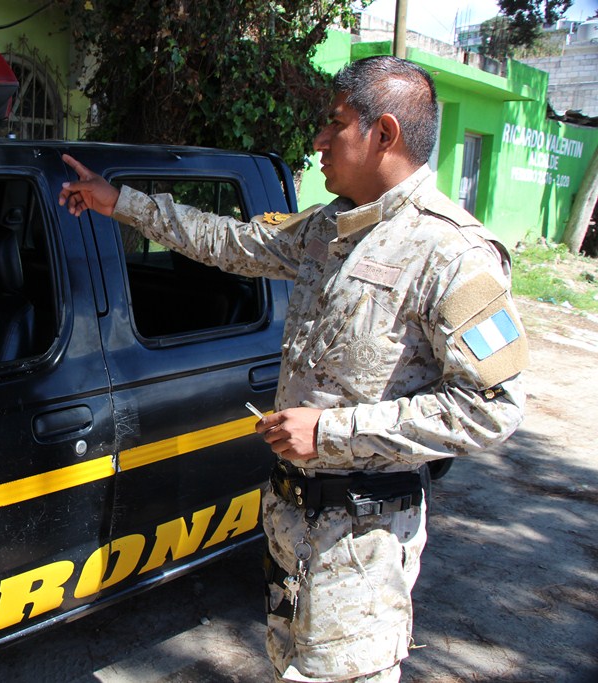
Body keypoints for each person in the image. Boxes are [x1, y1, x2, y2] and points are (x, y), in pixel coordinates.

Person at [59, 55, 527, 683]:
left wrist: (330, 433)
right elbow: (229, 243)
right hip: (291, 521)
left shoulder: (452, 254)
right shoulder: (330, 228)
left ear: (383, 134)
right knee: (290, 667)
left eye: (335, 125)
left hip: (363, 543)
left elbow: (492, 408)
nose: (319, 141)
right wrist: (120, 203)